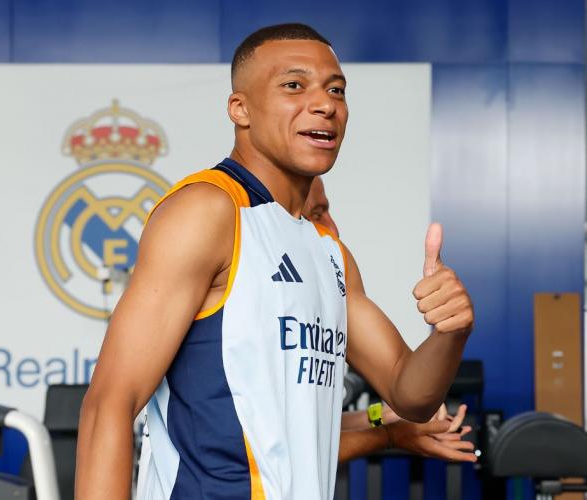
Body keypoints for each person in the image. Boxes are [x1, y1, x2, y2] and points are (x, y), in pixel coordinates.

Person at [76, 23, 474, 500]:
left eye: (336, 90)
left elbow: (410, 395)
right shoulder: (208, 210)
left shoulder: (329, 251)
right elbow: (109, 406)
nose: (325, 103)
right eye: (293, 85)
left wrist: (449, 334)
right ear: (240, 109)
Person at [303, 176, 476, 464]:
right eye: (317, 214)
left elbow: (406, 390)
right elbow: (262, 447)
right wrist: (388, 436)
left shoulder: (335, 274)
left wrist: (381, 417)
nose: (334, 228)